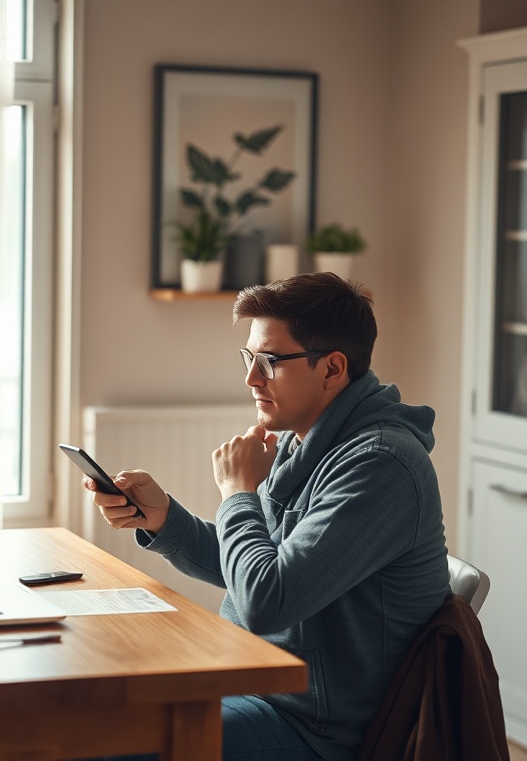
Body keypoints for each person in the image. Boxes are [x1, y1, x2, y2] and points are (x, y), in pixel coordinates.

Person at [83, 272, 451, 761]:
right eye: (249, 358)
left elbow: (264, 600)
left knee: (99, 740)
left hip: (312, 729)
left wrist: (238, 492)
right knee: (88, 708)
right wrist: (164, 519)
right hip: (250, 680)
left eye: (270, 362)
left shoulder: (380, 465)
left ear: (332, 369)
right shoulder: (306, 441)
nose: (251, 379)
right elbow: (254, 570)